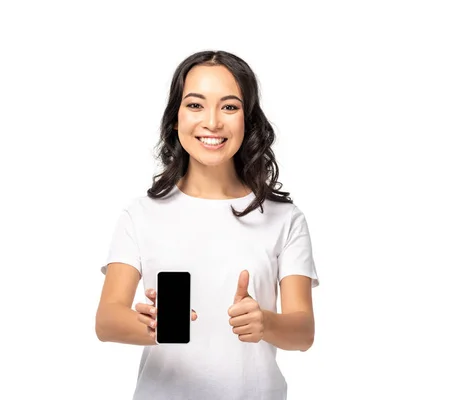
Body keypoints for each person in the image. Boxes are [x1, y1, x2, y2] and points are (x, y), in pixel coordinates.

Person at [95, 50, 319, 400]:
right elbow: (107, 321)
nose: (212, 122)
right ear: (175, 118)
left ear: (248, 120)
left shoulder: (285, 219)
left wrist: (266, 323)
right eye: (196, 105)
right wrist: (154, 325)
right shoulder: (139, 215)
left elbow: (303, 331)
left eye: (229, 107)